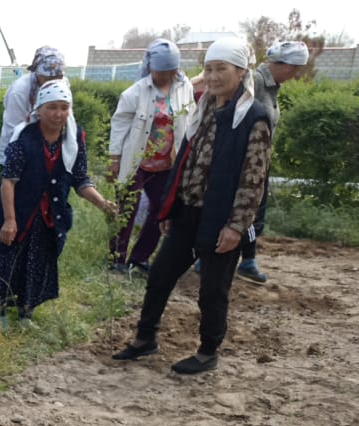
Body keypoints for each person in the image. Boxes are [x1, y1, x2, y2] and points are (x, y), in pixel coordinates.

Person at [112, 36, 273, 375]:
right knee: (159, 275)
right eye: (209, 69)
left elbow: (253, 180)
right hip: (188, 211)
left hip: (221, 218)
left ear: (240, 72)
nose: (213, 77)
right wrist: (169, 208)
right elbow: (183, 161)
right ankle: (145, 338)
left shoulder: (253, 118)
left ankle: (207, 350)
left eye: (221, 69)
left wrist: (236, 227)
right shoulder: (204, 109)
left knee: (213, 290)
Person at [0, 79, 117, 326]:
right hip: (19, 213)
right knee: (7, 259)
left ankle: (26, 312)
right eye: (52, 107)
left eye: (64, 108)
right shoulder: (24, 138)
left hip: (49, 217)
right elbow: (8, 182)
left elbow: (80, 179)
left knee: (38, 264)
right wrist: (9, 220)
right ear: (40, 110)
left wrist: (103, 204)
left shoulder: (74, 139)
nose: (58, 114)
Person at [107, 39, 196, 275]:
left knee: (161, 210)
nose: (166, 75)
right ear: (150, 67)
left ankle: (140, 258)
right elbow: (119, 125)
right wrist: (114, 158)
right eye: (161, 71)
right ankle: (117, 259)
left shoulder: (184, 87)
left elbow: (191, 118)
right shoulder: (135, 92)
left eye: (170, 70)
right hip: (136, 161)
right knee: (128, 208)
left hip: (167, 162)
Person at [239, 39, 309, 284]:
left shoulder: (272, 87)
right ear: (283, 64)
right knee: (246, 211)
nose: (295, 74)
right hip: (245, 162)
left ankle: (246, 260)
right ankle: (214, 258)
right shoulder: (255, 82)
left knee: (254, 212)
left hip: (260, 162)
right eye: (294, 68)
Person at [0, 46, 66, 166]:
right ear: (37, 72)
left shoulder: (63, 84)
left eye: (57, 77)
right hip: (17, 149)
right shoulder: (19, 92)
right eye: (48, 77)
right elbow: (13, 131)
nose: (53, 82)